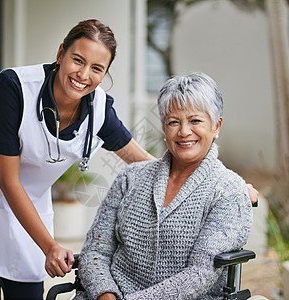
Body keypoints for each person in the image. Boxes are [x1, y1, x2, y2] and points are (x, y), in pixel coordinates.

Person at [0, 19, 257, 299]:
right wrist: (50, 246)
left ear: (105, 72)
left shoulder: (97, 108)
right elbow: (7, 180)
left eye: (97, 68)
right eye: (77, 60)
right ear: (61, 53)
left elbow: (140, 159)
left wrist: (230, 184)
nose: (83, 74)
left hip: (26, 201)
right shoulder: (14, 88)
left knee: (28, 292)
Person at [75, 72, 253, 300]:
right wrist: (106, 295)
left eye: (195, 120)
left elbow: (199, 274)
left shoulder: (228, 190)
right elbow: (95, 251)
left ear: (216, 126)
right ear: (163, 127)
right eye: (173, 122)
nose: (184, 131)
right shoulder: (130, 177)